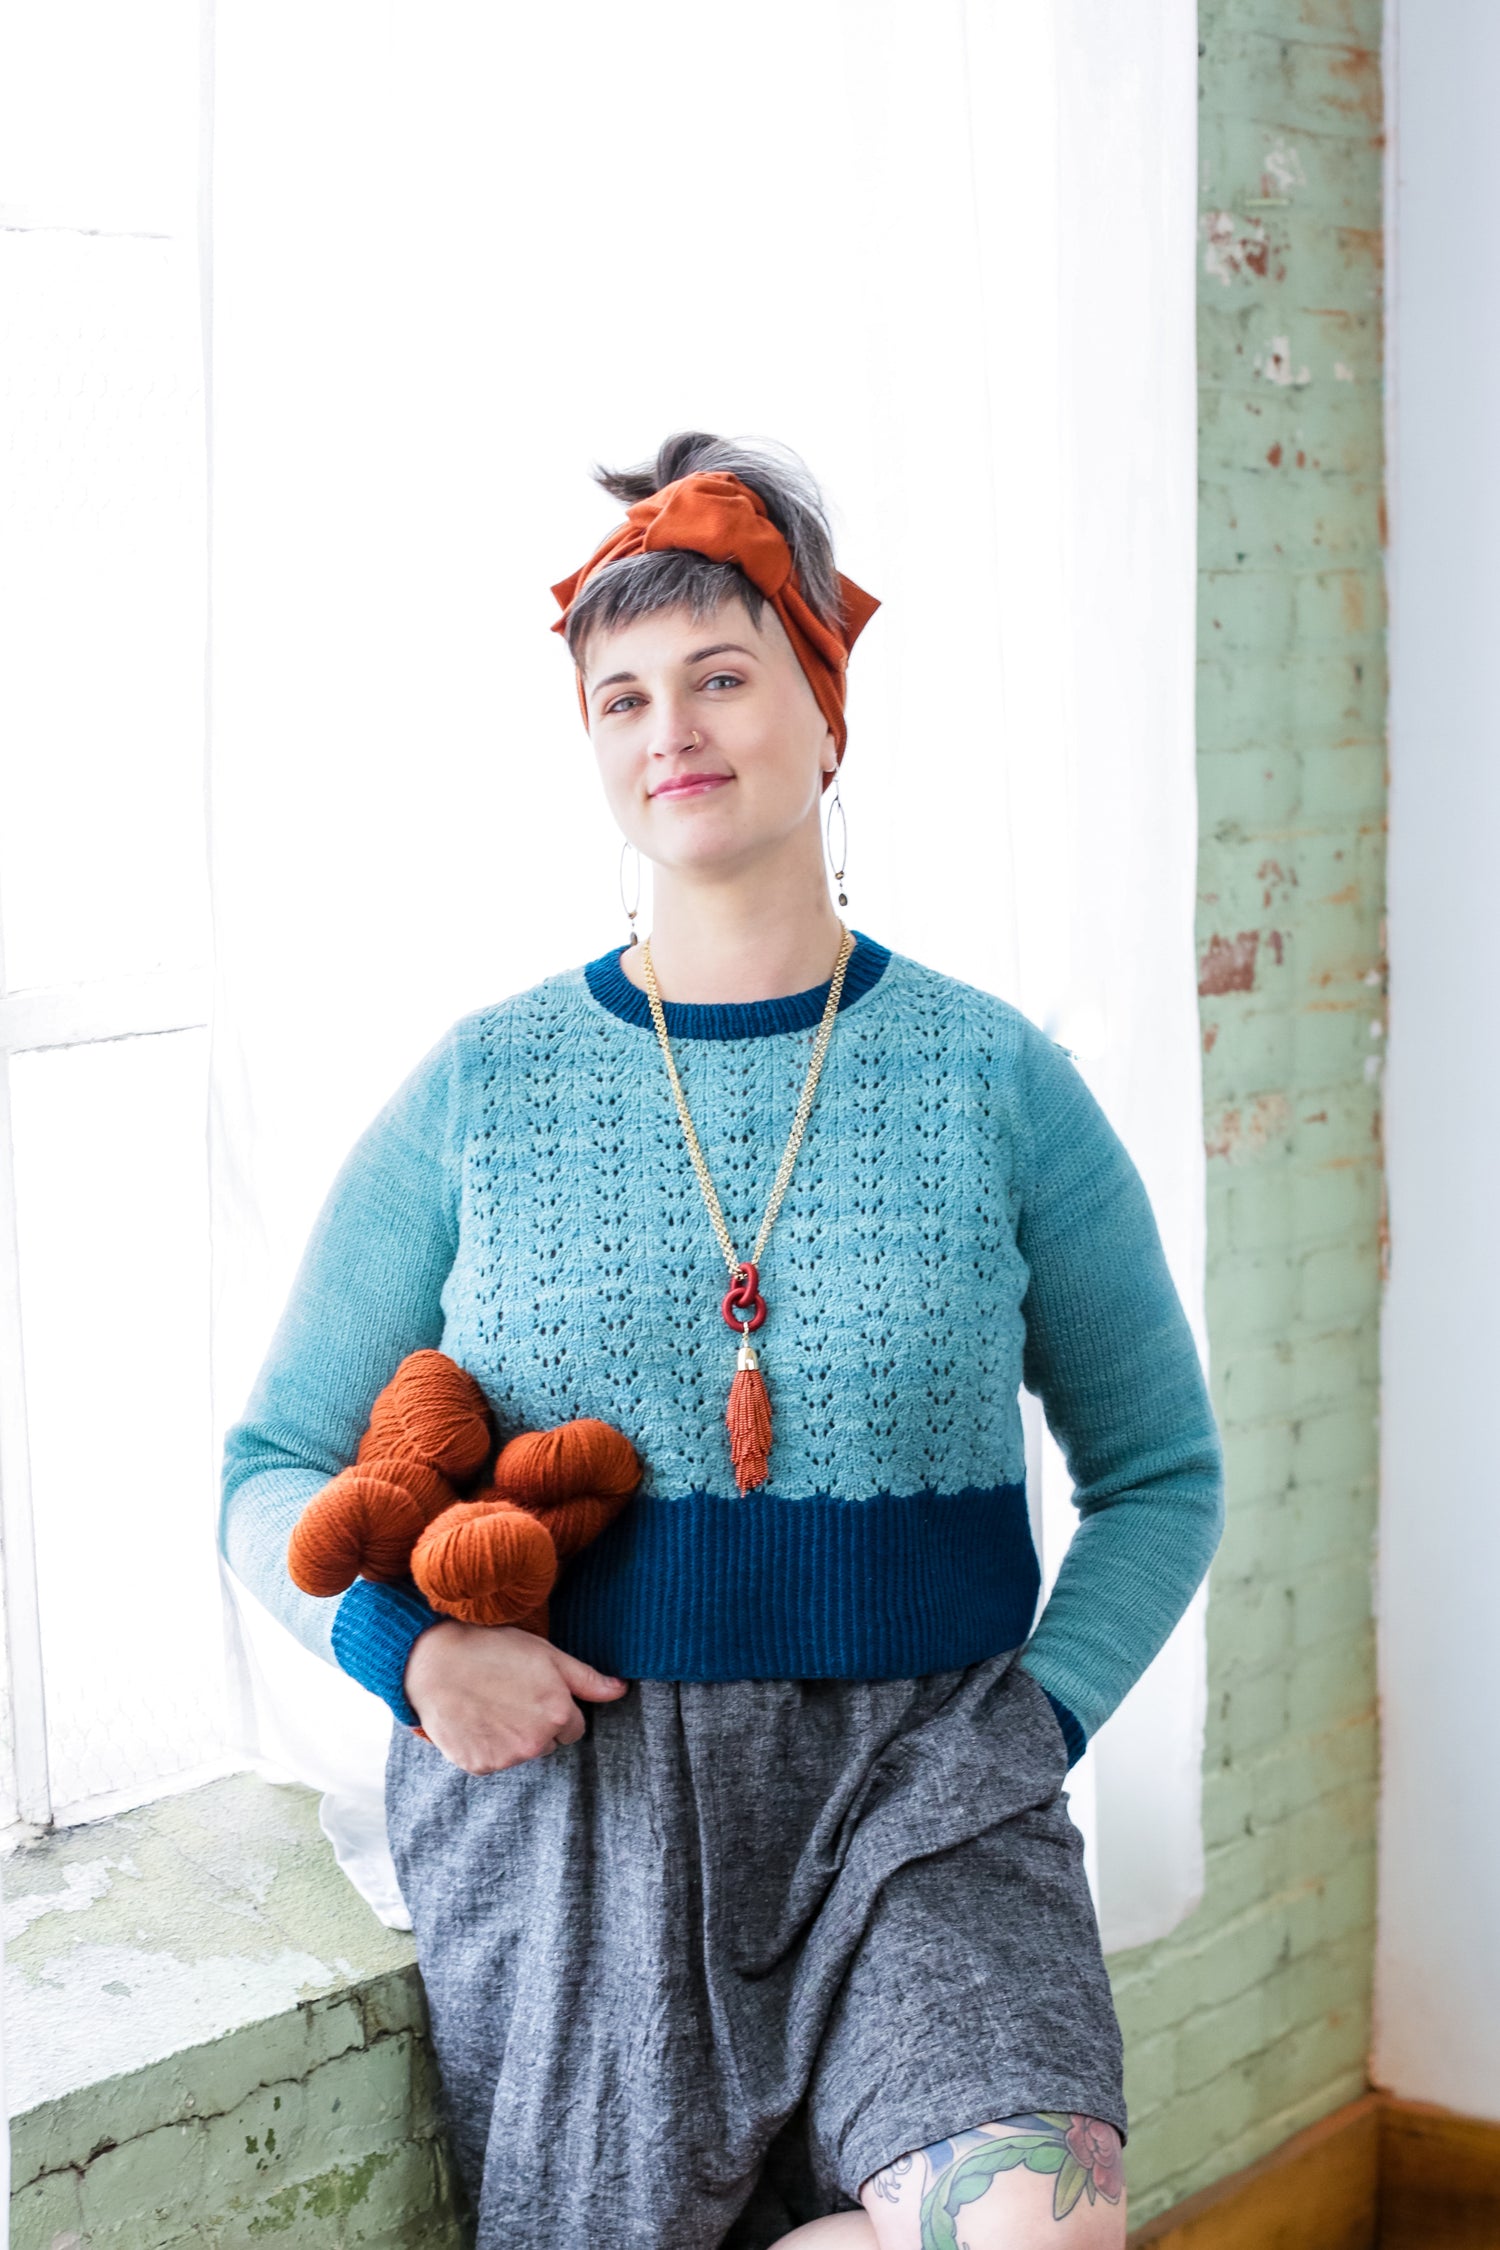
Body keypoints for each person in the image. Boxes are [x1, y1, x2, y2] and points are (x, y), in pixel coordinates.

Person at [220, 430, 1224, 2249]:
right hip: (582, 1814)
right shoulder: (484, 1084)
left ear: (826, 709)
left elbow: (1162, 1473)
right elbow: (265, 1470)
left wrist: (1040, 1717)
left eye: (720, 673)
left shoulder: (997, 1080)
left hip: (929, 1791)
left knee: (1034, 2227)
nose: (668, 725)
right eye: (620, 695)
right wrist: (409, 1654)